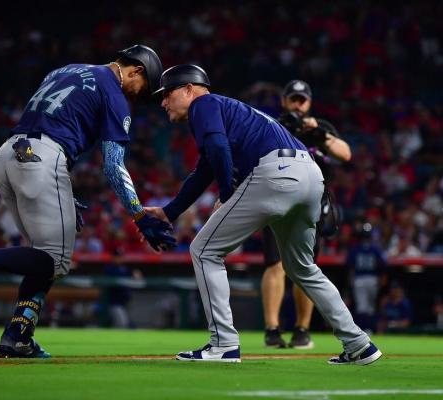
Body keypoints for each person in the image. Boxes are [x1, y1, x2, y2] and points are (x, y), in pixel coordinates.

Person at [0, 45, 176, 359]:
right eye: (143, 86)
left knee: (43, 253)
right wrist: (139, 214)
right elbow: (113, 165)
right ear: (135, 70)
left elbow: (52, 117)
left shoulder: (65, 69)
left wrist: (63, 193)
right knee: (55, 260)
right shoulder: (114, 92)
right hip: (43, 159)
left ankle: (19, 336)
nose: (138, 95)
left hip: (8, 156)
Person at [146, 64, 381, 365]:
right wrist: (169, 212)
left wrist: (227, 194)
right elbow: (205, 168)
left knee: (204, 250)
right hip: (310, 176)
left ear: (189, 89)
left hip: (276, 174)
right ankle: (359, 343)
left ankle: (223, 344)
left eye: (167, 93)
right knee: (302, 268)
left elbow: (218, 149)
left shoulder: (203, 104)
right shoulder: (231, 111)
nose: (164, 101)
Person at [261, 80, 352, 349]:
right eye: (294, 99)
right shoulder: (273, 125)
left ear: (309, 102)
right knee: (274, 265)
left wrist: (320, 132)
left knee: (304, 267)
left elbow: (345, 154)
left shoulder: (319, 130)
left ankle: (302, 329)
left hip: (311, 206)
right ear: (284, 101)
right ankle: (272, 329)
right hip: (275, 201)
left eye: (302, 99)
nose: (298, 104)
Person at [345, 222, 387, 333]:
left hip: (359, 279)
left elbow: (350, 266)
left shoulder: (355, 248)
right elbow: (383, 264)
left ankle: (362, 330)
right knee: (371, 307)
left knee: (362, 307)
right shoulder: (376, 248)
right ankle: (369, 329)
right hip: (373, 279)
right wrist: (382, 277)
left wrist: (351, 280)